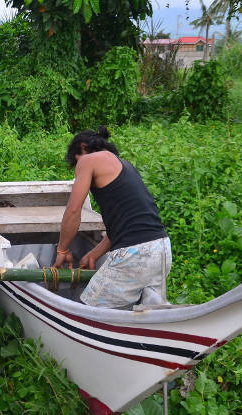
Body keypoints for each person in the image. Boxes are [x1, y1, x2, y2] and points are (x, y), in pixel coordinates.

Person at [52, 127, 171, 309]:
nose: (78, 168)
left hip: (136, 255)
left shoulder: (88, 161)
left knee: (86, 311)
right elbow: (126, 224)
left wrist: (62, 250)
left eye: (76, 162)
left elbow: (73, 210)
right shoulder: (125, 165)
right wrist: (95, 253)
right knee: (145, 311)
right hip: (161, 250)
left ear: (83, 147)